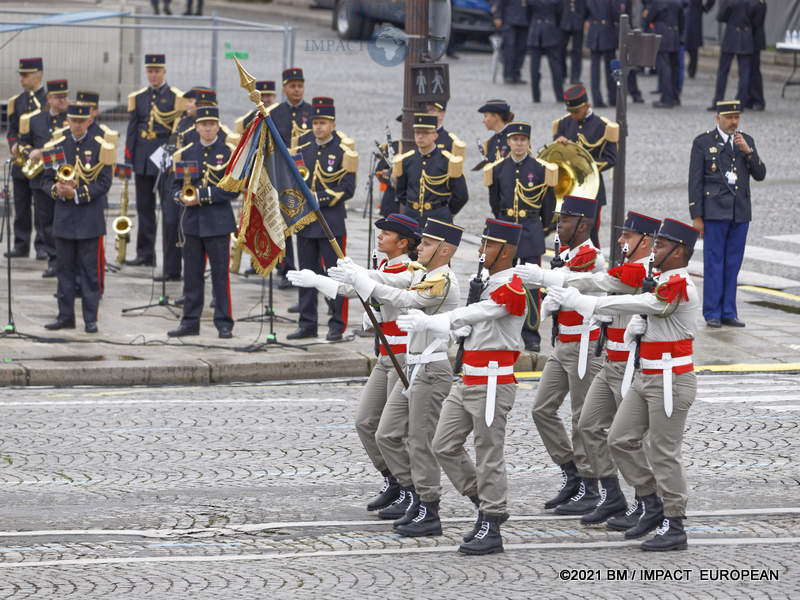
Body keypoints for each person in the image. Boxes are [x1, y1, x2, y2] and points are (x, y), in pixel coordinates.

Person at [549, 218, 700, 551]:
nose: (654, 250)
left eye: (661, 245)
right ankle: (650, 500)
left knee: (663, 452)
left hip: (671, 380)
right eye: (655, 243)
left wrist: (590, 304)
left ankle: (674, 522)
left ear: (679, 252)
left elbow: (645, 304)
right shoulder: (660, 280)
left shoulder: (681, 286)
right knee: (619, 438)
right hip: (647, 375)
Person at [395, 218, 525, 554]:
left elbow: (483, 312)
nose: (481, 250)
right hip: (469, 377)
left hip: (493, 380)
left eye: (488, 245)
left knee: (488, 453)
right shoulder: (487, 281)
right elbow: (477, 320)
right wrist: (458, 330)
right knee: (444, 444)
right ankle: (484, 502)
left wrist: (436, 322)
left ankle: (491, 524)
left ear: (506, 251)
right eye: (481, 243)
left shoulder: (512, 285)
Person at [330, 219, 462, 537]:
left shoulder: (439, 279)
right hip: (409, 362)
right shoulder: (421, 273)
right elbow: (385, 283)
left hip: (424, 364)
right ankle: (409, 491)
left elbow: (402, 298)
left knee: (421, 441)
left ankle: (431, 503)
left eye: (427, 244)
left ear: (445, 250)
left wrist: (362, 279)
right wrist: (346, 278)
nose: (421, 247)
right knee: (385, 432)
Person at [287, 214, 420, 511]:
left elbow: (384, 285)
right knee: (365, 422)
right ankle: (391, 479)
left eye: (387, 234)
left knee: (393, 430)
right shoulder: (385, 266)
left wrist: (359, 273)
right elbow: (354, 289)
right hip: (385, 356)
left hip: (404, 356)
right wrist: (318, 280)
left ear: (403, 243)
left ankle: (410, 489)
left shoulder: (411, 271)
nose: (380, 237)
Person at [537, 211, 661, 523]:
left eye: (628, 236)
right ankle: (611, 494)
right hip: (610, 360)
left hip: (633, 365)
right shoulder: (628, 269)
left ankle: (649, 501)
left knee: (634, 437)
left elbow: (598, 280)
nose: (620, 240)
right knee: (589, 425)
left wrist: (558, 282)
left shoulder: (646, 273)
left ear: (646, 241)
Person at [514, 195, 606, 512]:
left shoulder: (593, 259)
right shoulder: (565, 256)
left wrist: (547, 280)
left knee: (582, 417)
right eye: (559, 220)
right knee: (542, 409)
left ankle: (590, 485)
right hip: (562, 343)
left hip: (584, 346)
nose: (558, 226)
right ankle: (572, 471)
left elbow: (572, 283)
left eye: (565, 221)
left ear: (583, 225)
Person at [689, 100, 765, 328]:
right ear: (718, 118)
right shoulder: (703, 142)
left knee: (733, 264)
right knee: (714, 263)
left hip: (739, 212)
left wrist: (749, 152)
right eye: (729, 118)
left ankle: (729, 311)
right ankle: (712, 312)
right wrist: (697, 216)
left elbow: (760, 174)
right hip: (714, 212)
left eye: (736, 118)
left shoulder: (745, 141)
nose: (733, 122)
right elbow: (695, 181)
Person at [287, 98, 357, 341]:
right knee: (306, 273)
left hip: (331, 222)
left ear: (332, 125)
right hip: (306, 222)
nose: (318, 127)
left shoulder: (343, 151)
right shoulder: (303, 148)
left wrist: (320, 198)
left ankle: (337, 324)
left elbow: (348, 188)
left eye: (323, 123)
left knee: (336, 275)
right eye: (315, 122)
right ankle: (307, 323)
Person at [484, 121, 557, 351]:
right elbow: (495, 203)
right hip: (506, 231)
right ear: (508, 142)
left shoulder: (540, 169)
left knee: (532, 286)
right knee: (502, 281)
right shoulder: (498, 168)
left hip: (530, 230)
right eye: (515, 139)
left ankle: (531, 333)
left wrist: (539, 228)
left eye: (523, 140)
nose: (518, 144)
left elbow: (549, 205)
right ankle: (503, 328)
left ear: (528, 142)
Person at [167, 106, 237, 339]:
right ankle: (189, 321)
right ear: (196, 127)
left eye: (211, 125)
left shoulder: (228, 152)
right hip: (192, 222)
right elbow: (174, 186)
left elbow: (233, 189)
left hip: (218, 223)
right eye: (203, 125)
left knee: (220, 276)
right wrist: (180, 197)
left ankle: (224, 322)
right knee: (191, 275)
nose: (207, 129)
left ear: (218, 127)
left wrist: (201, 196)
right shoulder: (186, 153)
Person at [43, 104, 114, 333]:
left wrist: (77, 193)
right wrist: (56, 189)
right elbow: (45, 179)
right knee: (64, 270)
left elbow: (104, 182)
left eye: (81, 121)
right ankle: (65, 316)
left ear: (88, 122)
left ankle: (90, 319)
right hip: (64, 217)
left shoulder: (100, 146)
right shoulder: (57, 145)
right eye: (73, 121)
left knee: (89, 272)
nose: (77, 125)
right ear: (68, 121)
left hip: (89, 218)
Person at [124, 54, 184, 269]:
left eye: (157, 71)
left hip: (164, 156)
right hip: (142, 157)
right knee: (144, 209)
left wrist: (171, 157)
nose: (154, 75)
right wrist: (129, 159)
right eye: (150, 71)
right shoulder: (139, 97)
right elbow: (132, 129)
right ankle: (145, 254)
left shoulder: (175, 97)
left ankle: (170, 258)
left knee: (168, 210)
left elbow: (176, 131)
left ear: (164, 72)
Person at [553, 84, 618, 247]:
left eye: (576, 111)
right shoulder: (564, 123)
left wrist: (585, 166)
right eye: (571, 112)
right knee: (565, 234)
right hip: (569, 188)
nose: (573, 115)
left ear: (587, 106)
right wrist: (559, 145)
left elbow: (611, 158)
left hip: (592, 188)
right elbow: (555, 155)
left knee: (589, 236)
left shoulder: (602, 126)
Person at [18, 79, 69, 276]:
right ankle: (53, 260)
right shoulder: (36, 120)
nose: (63, 100)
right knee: (46, 222)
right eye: (58, 97)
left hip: (64, 178)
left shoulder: (72, 120)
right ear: (49, 99)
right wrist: (30, 152)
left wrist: (44, 155)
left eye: (65, 96)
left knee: (64, 221)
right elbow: (23, 143)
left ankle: (66, 261)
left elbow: (69, 150)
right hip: (41, 180)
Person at [271, 69, 312, 289]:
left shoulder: (311, 112)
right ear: (285, 88)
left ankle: (308, 270)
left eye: (300, 86)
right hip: (283, 175)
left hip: (307, 175)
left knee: (306, 223)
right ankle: (286, 269)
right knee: (284, 225)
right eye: (292, 86)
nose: (297, 90)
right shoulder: (276, 113)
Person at [5, 57, 47, 259]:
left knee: (42, 207)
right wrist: (13, 143)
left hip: (40, 161)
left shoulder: (48, 100)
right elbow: (11, 130)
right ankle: (21, 245)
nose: (22, 79)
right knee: (21, 205)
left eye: (26, 75)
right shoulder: (17, 101)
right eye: (21, 75)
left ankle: (42, 246)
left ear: (37, 75)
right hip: (21, 162)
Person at [393, 114, 468, 225]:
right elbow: (401, 192)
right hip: (411, 217)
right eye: (417, 133)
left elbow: (461, 195)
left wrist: (445, 212)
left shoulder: (447, 161)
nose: (420, 137)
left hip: (438, 218)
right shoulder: (407, 160)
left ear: (435, 136)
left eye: (425, 133)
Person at [708, 0, 754, 111]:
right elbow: (757, 16)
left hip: (731, 35)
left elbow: (721, 16)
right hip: (746, 35)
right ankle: (741, 103)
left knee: (723, 71)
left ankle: (718, 100)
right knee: (744, 73)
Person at [647, 0, 686, 108]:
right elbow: (682, 21)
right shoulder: (678, 2)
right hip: (675, 36)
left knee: (664, 69)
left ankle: (667, 98)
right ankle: (675, 96)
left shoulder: (658, 2)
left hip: (662, 36)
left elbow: (649, 17)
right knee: (674, 68)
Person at [528, 0, 565, 103]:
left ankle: (535, 96)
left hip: (535, 28)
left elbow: (528, 11)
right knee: (555, 65)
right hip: (551, 29)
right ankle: (559, 95)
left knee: (535, 66)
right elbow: (560, 13)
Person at [586, 0, 620, 108]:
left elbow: (584, 12)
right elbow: (616, 14)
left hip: (594, 32)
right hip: (607, 32)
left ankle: (597, 99)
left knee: (595, 69)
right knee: (611, 68)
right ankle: (613, 97)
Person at [492, 0, 530, 84]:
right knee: (509, 48)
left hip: (524, 21)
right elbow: (499, 3)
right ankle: (508, 74)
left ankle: (516, 74)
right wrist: (497, 17)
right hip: (509, 21)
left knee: (521, 49)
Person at [684, 0, 716, 79]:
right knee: (690, 47)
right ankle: (690, 71)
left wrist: (704, 8)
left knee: (692, 47)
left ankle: (691, 71)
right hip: (688, 15)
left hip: (692, 17)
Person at [478, 99, 514, 166]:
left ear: (495, 116)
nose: (483, 121)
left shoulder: (515, 137)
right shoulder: (490, 142)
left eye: (486, 116)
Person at [560, 0, 587, 85]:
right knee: (560, 49)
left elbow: (586, 5)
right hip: (563, 20)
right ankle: (562, 74)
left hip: (578, 21)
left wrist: (582, 17)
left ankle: (575, 76)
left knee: (577, 51)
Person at [746, 0, 766, 111]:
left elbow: (756, 22)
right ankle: (749, 98)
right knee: (748, 71)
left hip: (755, 41)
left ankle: (759, 100)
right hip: (749, 40)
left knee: (754, 71)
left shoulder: (760, 2)